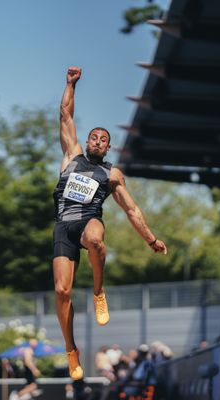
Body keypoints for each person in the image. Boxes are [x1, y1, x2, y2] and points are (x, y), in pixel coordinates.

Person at [53, 66, 168, 381]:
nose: (98, 141)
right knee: (62, 292)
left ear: (108, 147)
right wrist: (70, 85)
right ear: (88, 141)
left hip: (89, 221)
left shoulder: (112, 175)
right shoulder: (71, 157)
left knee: (98, 241)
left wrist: (150, 239)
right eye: (94, 136)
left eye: (104, 139)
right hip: (64, 226)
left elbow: (132, 210)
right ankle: (71, 349)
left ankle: (99, 291)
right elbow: (65, 115)